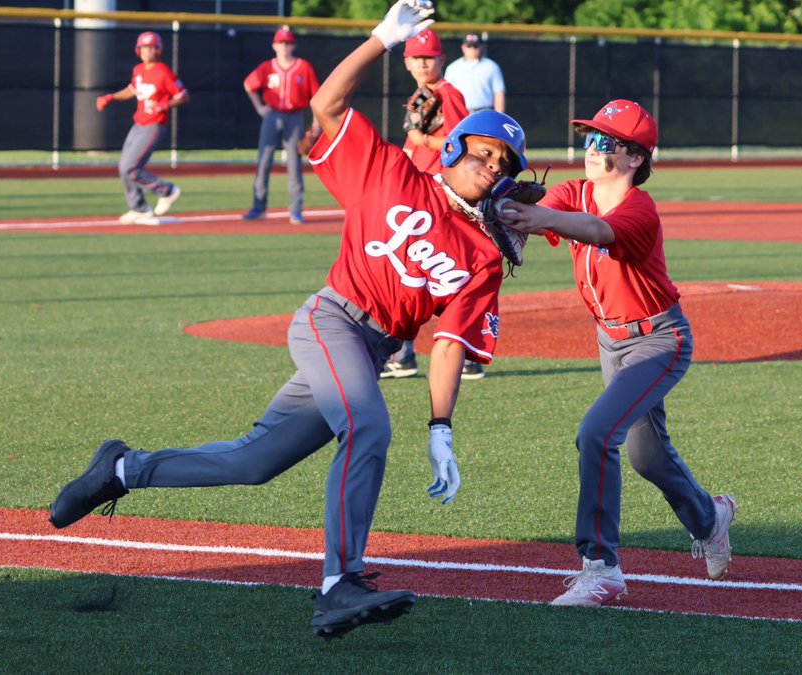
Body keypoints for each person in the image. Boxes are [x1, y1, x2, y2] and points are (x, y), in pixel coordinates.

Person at [48, 0, 531, 640]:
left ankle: (118, 470)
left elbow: (447, 342)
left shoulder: (483, 256)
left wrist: (441, 426)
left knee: (253, 463)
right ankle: (339, 584)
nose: (493, 167)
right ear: (456, 146)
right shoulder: (391, 174)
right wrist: (380, 40)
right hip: (331, 321)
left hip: (373, 345)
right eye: (485, 152)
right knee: (366, 426)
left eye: (504, 165)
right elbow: (327, 108)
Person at [499, 99, 736, 607]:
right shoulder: (575, 191)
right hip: (611, 340)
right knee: (646, 457)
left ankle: (601, 568)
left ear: (634, 158)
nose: (592, 149)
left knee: (596, 434)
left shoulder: (639, 210)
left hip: (659, 341)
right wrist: (502, 206)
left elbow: (595, 230)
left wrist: (538, 216)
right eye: (590, 139)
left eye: (606, 142)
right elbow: (552, 208)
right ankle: (710, 518)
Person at [382, 29, 485, 380]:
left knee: (440, 277)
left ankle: (465, 354)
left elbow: (464, 145)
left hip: (441, 195)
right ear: (407, 62)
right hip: (419, 192)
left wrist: (423, 139)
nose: (423, 62)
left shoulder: (449, 93)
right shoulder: (423, 94)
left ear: (442, 59)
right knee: (413, 275)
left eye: (430, 56)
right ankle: (404, 354)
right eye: (416, 57)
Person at [95, 31, 189, 226]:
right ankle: (140, 208)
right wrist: (111, 97)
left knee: (131, 168)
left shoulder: (163, 71)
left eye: (151, 47)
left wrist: (165, 105)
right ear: (138, 50)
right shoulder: (138, 70)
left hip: (154, 125)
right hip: (139, 123)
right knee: (124, 168)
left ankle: (167, 191)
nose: (147, 51)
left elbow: (183, 96)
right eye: (144, 47)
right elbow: (132, 90)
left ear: (158, 50)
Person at [242, 26, 320, 225]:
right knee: (264, 160)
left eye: (288, 43)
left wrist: (316, 123)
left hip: (294, 117)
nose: (284, 46)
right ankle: (259, 207)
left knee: (294, 163)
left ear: (293, 45)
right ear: (274, 45)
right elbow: (249, 85)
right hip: (272, 115)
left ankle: (296, 210)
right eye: (281, 43)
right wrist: (259, 107)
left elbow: (316, 97)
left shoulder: (303, 66)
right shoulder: (267, 67)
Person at [444, 33, 505, 113]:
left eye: (475, 46)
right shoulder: (453, 68)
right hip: (461, 112)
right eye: (469, 46)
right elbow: (446, 94)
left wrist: (499, 116)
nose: (472, 49)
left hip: (485, 111)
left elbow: (499, 93)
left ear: (481, 47)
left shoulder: (491, 66)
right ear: (463, 47)